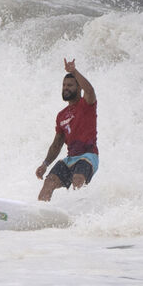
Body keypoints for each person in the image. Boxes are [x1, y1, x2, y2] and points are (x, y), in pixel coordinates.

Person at [36, 58, 98, 202]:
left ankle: (79, 210)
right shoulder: (61, 115)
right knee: (49, 182)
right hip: (71, 159)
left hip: (88, 156)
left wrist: (74, 72)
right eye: (64, 85)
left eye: (70, 85)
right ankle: (40, 213)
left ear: (79, 88)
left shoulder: (87, 104)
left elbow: (90, 90)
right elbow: (57, 144)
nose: (66, 88)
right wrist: (45, 164)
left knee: (77, 179)